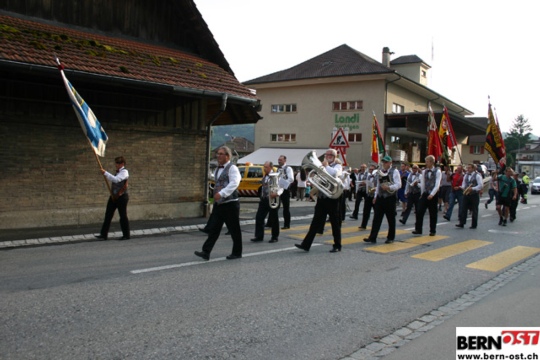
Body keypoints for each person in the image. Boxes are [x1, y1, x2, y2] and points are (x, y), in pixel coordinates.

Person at [194, 146, 242, 260]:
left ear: (227, 156)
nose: (218, 156)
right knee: (214, 229)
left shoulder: (232, 168)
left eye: (221, 154)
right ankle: (206, 252)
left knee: (234, 230)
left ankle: (237, 252)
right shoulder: (217, 168)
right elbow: (216, 179)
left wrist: (222, 193)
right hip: (220, 204)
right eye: (217, 153)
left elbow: (235, 183)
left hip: (230, 203)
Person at [295, 149, 343, 253]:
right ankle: (306, 245)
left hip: (332, 199)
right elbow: (314, 179)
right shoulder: (321, 166)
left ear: (335, 157)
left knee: (335, 223)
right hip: (322, 198)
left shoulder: (338, 166)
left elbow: (334, 174)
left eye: (331, 155)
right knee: (315, 222)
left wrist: (325, 166)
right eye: (327, 154)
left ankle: (337, 245)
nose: (328, 156)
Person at [363, 156, 401, 244]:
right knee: (376, 218)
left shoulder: (394, 171)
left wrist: (389, 187)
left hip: (390, 197)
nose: (384, 164)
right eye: (383, 162)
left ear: (390, 163)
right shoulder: (379, 172)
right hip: (380, 197)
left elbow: (399, 185)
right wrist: (375, 196)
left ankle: (390, 237)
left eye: (386, 162)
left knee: (391, 218)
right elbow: (377, 186)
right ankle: (372, 237)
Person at [95, 156, 131, 241]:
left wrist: (105, 173)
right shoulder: (117, 172)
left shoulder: (125, 172)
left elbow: (116, 180)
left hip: (122, 197)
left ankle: (126, 234)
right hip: (114, 196)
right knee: (108, 214)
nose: (116, 165)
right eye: (116, 163)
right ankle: (104, 234)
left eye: (118, 163)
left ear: (122, 164)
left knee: (122, 215)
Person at [412, 155, 442, 236]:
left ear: (432, 162)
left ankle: (432, 230)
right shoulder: (424, 171)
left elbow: (437, 184)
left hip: (433, 194)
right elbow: (423, 184)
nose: (426, 163)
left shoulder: (437, 171)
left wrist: (432, 194)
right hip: (425, 194)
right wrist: (422, 194)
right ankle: (418, 229)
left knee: (432, 213)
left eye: (427, 162)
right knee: (419, 211)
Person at [251, 161, 280, 243]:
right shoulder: (265, 176)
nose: (264, 169)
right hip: (264, 199)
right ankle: (259, 236)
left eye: (266, 167)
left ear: (271, 167)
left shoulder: (275, 176)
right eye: (264, 167)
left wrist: (277, 193)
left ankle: (274, 236)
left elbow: (281, 187)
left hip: (272, 199)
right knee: (259, 217)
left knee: (274, 219)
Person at [455, 164, 483, 229]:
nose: (468, 169)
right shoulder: (466, 175)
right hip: (466, 194)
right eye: (467, 168)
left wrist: (472, 188)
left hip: (474, 194)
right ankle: (462, 223)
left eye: (469, 168)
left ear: (473, 168)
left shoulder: (478, 175)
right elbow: (464, 184)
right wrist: (460, 187)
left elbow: (480, 185)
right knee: (463, 208)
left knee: (474, 210)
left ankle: (474, 224)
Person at [277, 155, 294, 229]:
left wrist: (284, 184)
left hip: (285, 189)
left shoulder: (288, 168)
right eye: (279, 160)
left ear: (284, 161)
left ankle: (287, 224)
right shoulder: (278, 169)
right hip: (278, 189)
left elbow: (291, 179)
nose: (279, 161)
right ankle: (271, 223)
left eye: (280, 160)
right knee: (275, 206)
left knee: (286, 208)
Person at [358, 164, 376, 230]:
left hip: (375, 195)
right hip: (368, 194)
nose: (371, 170)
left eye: (372, 169)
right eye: (370, 169)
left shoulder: (377, 176)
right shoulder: (368, 176)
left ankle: (375, 226)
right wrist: (364, 183)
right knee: (366, 211)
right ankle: (363, 225)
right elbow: (363, 181)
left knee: (376, 212)